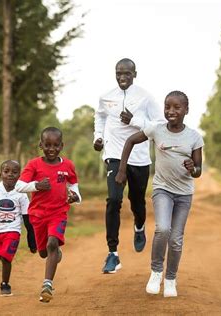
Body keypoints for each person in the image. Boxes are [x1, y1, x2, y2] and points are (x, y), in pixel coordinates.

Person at [115, 90, 203, 297]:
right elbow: (130, 141)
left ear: (186, 110)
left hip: (184, 194)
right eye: (167, 107)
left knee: (176, 239)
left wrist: (193, 168)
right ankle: (156, 272)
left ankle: (170, 278)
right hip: (162, 189)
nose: (171, 111)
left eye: (176, 107)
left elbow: (199, 171)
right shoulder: (156, 129)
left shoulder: (194, 137)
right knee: (162, 229)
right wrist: (121, 168)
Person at [93, 58, 164, 274]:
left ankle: (139, 226)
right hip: (114, 155)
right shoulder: (106, 97)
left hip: (139, 159)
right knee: (113, 200)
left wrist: (135, 121)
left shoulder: (146, 97)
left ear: (135, 74)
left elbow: (159, 125)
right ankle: (112, 254)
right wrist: (98, 137)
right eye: (118, 73)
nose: (122, 77)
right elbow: (100, 116)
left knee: (137, 202)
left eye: (127, 73)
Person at [15, 126, 81, 303]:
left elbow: (73, 184)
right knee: (43, 252)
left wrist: (76, 196)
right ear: (40, 145)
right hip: (37, 215)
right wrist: (36, 186)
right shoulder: (34, 165)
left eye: (56, 145)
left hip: (59, 212)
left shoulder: (67, 165)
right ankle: (54, 253)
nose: (52, 149)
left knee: (52, 243)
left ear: (62, 146)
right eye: (47, 145)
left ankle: (47, 285)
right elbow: (19, 186)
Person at [0, 160, 37, 297]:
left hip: (13, 231)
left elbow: (27, 219)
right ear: (0, 174)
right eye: (6, 172)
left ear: (19, 175)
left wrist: (32, 241)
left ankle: (5, 284)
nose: (10, 175)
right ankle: (1, 253)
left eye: (14, 172)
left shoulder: (21, 194)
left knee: (6, 257)